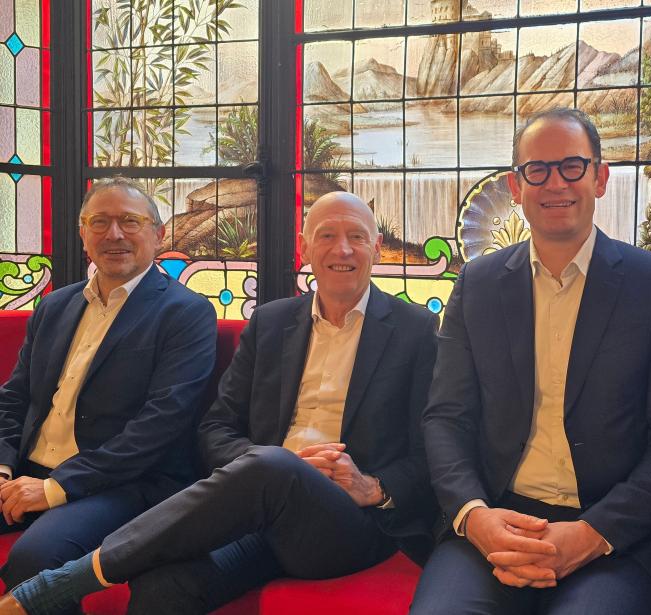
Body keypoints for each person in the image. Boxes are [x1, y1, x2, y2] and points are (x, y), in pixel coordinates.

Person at [0, 191, 439, 615]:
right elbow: (215, 427)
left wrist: (372, 486)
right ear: (304, 248)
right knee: (163, 587)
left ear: (377, 249)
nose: (341, 248)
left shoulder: (417, 331)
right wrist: (259, 468)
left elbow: (432, 452)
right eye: (326, 235)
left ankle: (60, 585)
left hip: (346, 523)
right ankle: (266, 471)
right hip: (252, 513)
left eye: (357, 236)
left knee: (272, 465)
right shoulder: (270, 323)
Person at [412, 108, 651, 615]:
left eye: (572, 166)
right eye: (538, 170)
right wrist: (475, 516)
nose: (556, 183)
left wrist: (594, 534)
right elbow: (446, 418)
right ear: (516, 184)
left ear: (600, 177)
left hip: (617, 532)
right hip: (497, 520)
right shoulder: (478, 284)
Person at [0, 177, 216, 596]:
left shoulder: (186, 313)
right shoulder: (56, 306)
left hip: (123, 484)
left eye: (130, 221)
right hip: (26, 470)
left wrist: (55, 488)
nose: (113, 234)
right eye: (99, 222)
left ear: (159, 235)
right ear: (83, 234)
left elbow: (161, 424)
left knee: (35, 558)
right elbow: (15, 398)